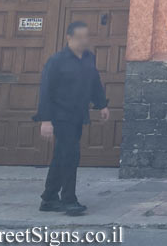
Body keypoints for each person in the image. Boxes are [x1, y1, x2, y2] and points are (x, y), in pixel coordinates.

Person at [32, 20, 110, 216]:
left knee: (61, 156)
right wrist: (46, 120)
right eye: (79, 37)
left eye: (86, 37)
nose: (84, 41)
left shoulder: (88, 58)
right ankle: (69, 200)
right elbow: (46, 92)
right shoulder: (56, 61)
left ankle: (49, 198)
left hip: (77, 115)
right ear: (69, 38)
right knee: (71, 155)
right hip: (60, 116)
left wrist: (102, 105)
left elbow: (94, 82)